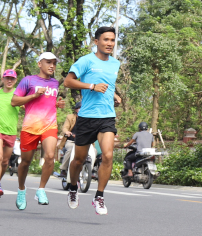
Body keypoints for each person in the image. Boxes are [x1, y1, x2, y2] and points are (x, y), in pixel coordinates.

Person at [62, 27, 122, 215]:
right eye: (105, 39)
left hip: (107, 117)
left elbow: (108, 85)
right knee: (78, 160)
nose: (109, 43)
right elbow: (68, 81)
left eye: (112, 40)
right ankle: (73, 188)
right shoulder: (86, 61)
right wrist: (92, 86)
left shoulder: (115, 64)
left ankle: (99, 196)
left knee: (108, 155)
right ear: (96, 42)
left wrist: (115, 95)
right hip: (87, 117)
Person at [10, 53, 62, 210]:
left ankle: (41, 190)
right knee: (25, 162)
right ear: (40, 64)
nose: (52, 65)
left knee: (50, 156)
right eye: (48, 62)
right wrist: (34, 95)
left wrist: (56, 104)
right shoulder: (28, 81)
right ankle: (21, 190)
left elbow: (47, 102)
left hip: (49, 125)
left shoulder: (55, 83)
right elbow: (14, 101)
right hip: (30, 127)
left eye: (54, 63)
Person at [0, 69, 22, 200]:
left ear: (15, 81)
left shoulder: (18, 94)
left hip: (11, 131)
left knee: (5, 161)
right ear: (2, 79)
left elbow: (29, 105)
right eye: (7, 78)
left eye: (12, 79)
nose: (9, 81)